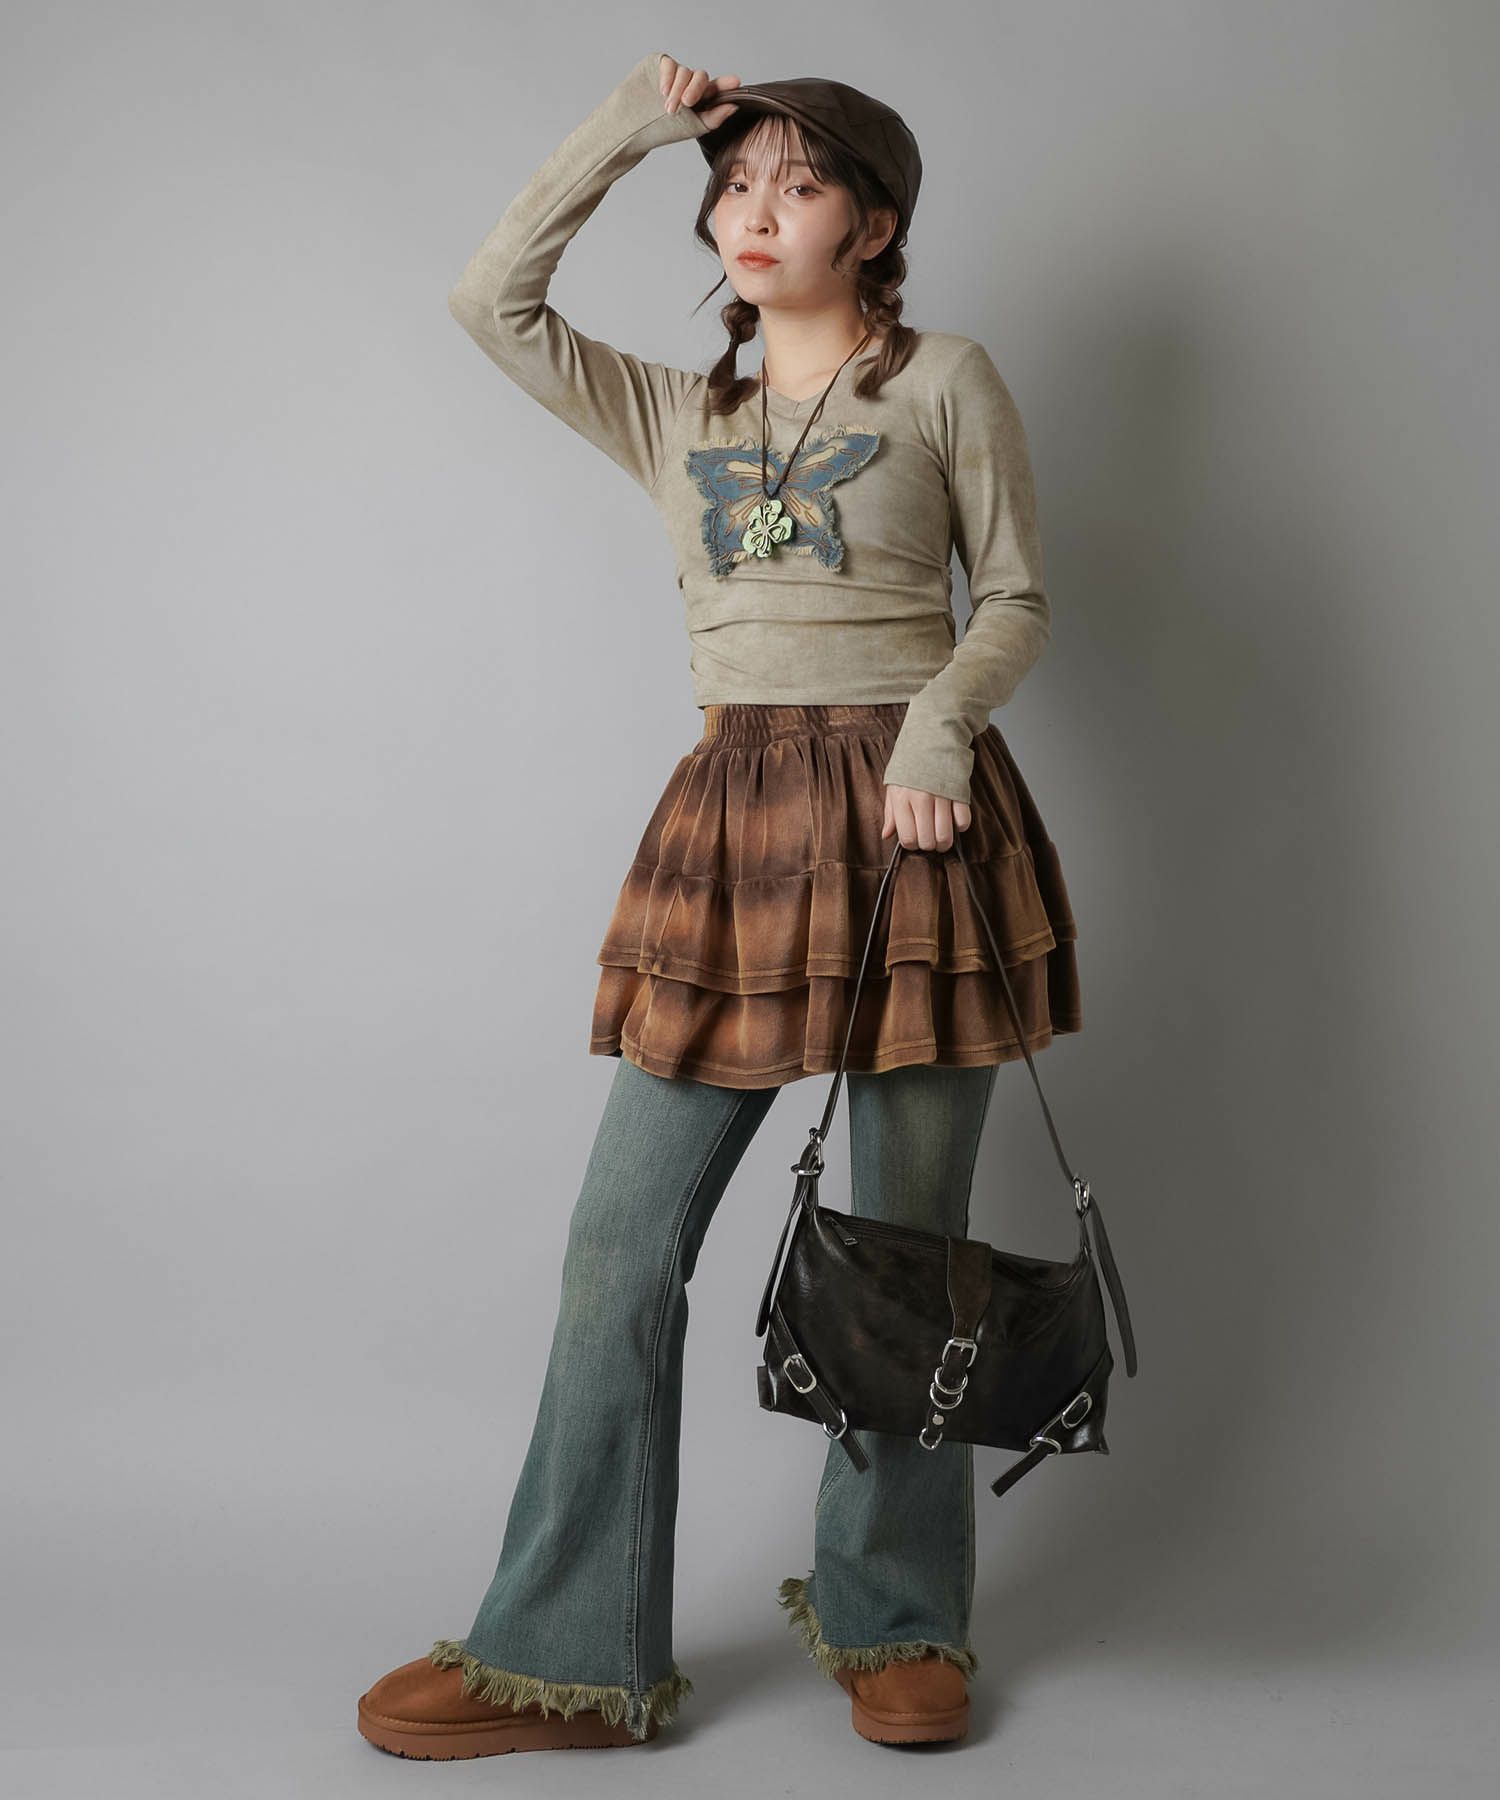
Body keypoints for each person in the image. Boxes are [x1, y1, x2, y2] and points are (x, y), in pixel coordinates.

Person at [356, 49, 1082, 1758]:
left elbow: (1017, 596)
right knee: (621, 1250)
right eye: (737, 182)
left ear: (874, 225)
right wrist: (632, 126)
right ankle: (565, 1649)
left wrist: (938, 729)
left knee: (906, 1254)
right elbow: (490, 300)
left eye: (799, 184)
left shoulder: (947, 381)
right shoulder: (680, 412)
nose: (755, 211)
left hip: (919, 826)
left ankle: (899, 1616)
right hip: (737, 827)